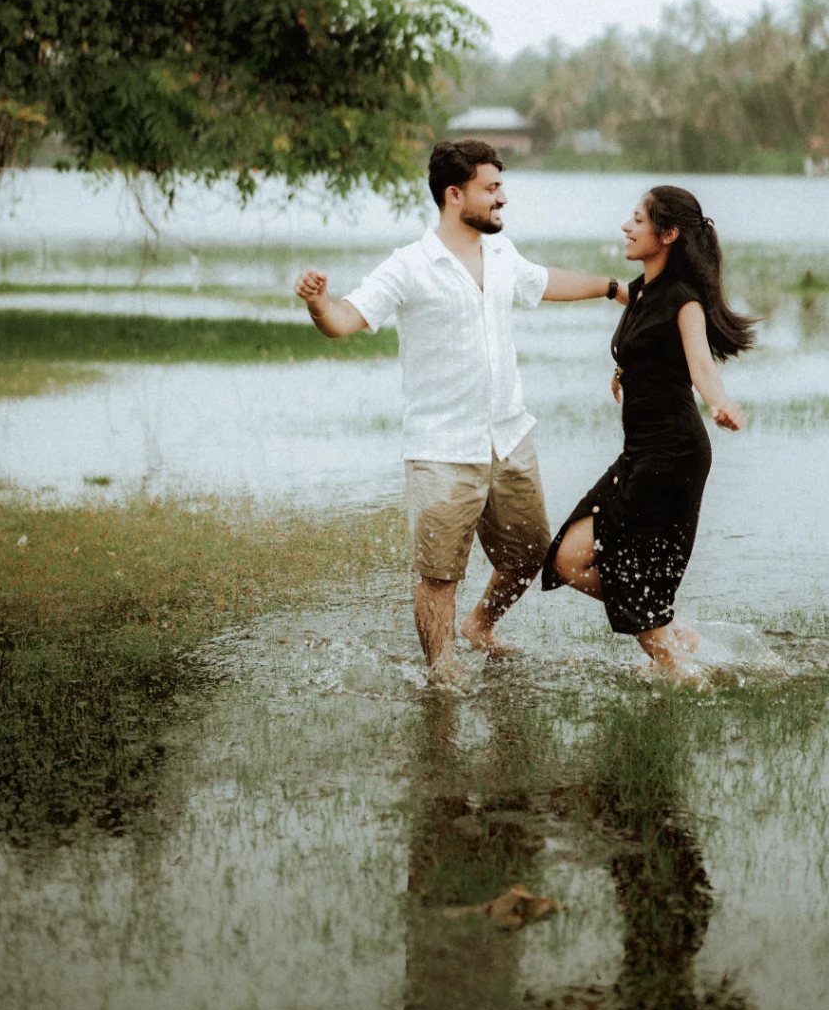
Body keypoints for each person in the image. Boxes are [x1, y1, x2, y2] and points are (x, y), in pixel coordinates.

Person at [295, 139, 627, 672]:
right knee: (439, 575)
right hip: (441, 449)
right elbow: (342, 321)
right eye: (491, 188)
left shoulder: (500, 252)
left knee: (528, 558)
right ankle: (443, 674)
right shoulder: (409, 265)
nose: (502, 199)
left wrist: (613, 288)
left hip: (509, 438)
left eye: (501, 187)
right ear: (455, 194)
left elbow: (544, 282)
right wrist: (316, 302)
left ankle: (480, 625)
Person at [542, 185, 755, 672]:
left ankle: (679, 669)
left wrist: (722, 404)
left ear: (668, 234)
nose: (626, 226)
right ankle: (667, 631)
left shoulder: (685, 302)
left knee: (632, 580)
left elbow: (701, 368)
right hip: (639, 454)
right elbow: (644, 342)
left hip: (672, 456)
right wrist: (625, 372)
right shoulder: (639, 293)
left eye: (638, 219)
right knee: (567, 559)